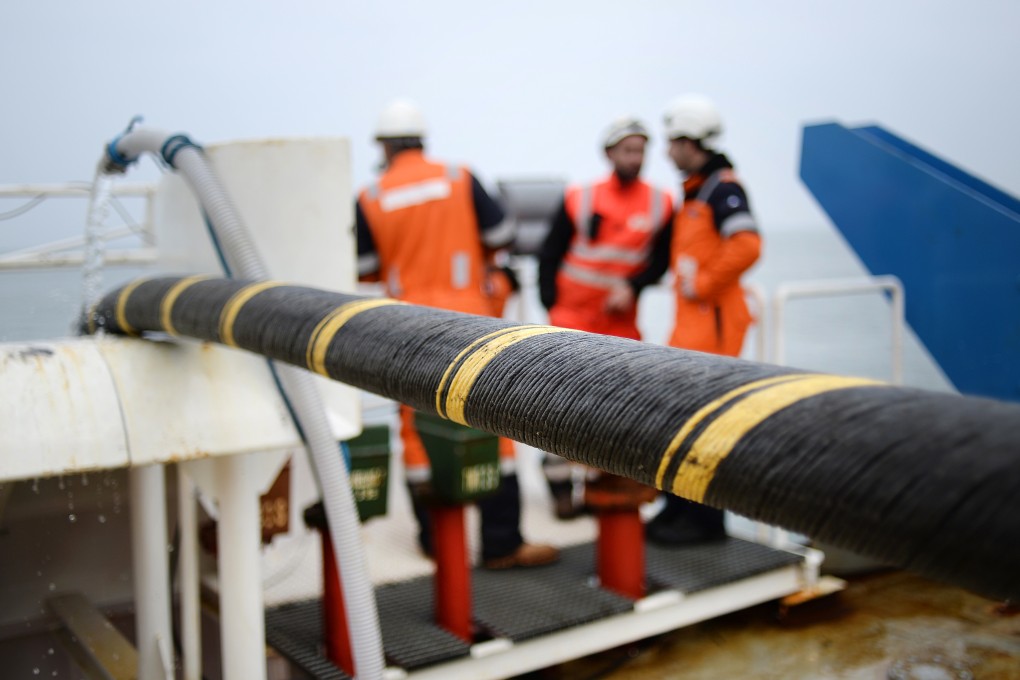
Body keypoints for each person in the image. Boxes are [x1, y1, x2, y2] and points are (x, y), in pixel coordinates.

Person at [355, 98, 558, 569]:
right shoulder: (458, 177)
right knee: (490, 421)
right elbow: (502, 232)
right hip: (471, 320)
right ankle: (501, 541)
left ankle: (435, 538)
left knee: (416, 428)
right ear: (423, 140)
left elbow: (365, 269)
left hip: (405, 326)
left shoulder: (371, 196)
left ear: (383, 147)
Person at [633, 93, 762, 545]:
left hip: (714, 321)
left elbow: (747, 244)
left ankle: (706, 524)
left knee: (705, 424)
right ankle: (678, 509)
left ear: (693, 142)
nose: (667, 152)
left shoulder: (722, 189)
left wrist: (703, 284)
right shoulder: (697, 192)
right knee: (682, 419)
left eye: (673, 143)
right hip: (694, 324)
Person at [537, 116, 674, 519]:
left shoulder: (660, 203)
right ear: (609, 153)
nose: (636, 158)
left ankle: (600, 481)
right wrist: (551, 306)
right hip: (570, 317)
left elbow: (660, 261)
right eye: (628, 150)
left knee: (611, 408)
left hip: (619, 323)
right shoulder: (579, 197)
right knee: (556, 407)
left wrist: (633, 287)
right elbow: (550, 253)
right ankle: (560, 486)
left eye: (641, 150)